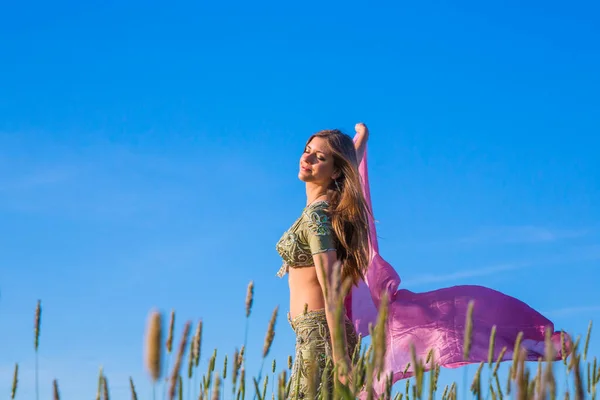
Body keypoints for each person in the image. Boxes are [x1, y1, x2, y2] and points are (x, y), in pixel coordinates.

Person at [275, 123, 371, 398]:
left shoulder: (318, 215)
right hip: (317, 336)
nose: (306, 159)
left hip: (321, 339)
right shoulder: (332, 202)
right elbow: (348, 165)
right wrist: (360, 142)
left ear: (336, 171)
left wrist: (340, 359)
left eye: (319, 157)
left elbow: (330, 288)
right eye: (307, 151)